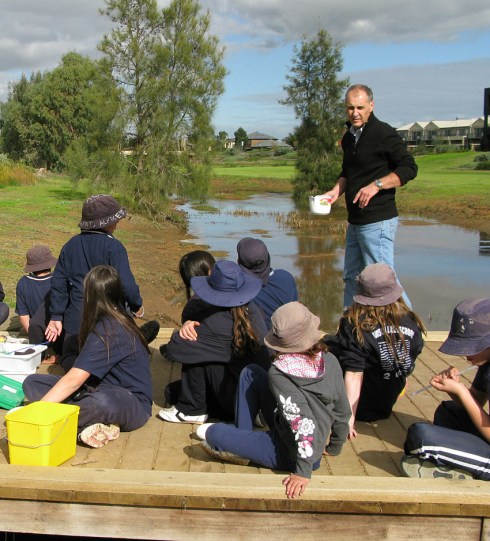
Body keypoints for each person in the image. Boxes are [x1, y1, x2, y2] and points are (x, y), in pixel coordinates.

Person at [197, 302, 351, 499]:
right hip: (301, 438)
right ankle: (243, 435)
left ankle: (242, 443)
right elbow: (343, 411)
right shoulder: (329, 360)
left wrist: (303, 472)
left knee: (212, 432)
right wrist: (335, 447)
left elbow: (303, 423)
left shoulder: (279, 373)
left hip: (291, 453)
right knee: (251, 373)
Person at [23, 265, 153, 449]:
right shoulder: (110, 319)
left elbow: (74, 380)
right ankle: (85, 423)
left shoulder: (110, 330)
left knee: (100, 403)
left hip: (130, 402)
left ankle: (68, 419)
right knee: (32, 382)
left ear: (89, 296)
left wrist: (37, 413)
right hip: (95, 388)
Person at [320, 84, 417, 309]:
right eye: (350, 108)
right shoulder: (349, 137)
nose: (355, 113)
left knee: (383, 283)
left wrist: (377, 184)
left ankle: (410, 331)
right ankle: (349, 330)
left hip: (378, 221)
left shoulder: (383, 133)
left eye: (360, 107)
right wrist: (336, 191)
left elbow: (409, 168)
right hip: (355, 222)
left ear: (371, 106)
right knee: (352, 278)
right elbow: (348, 172)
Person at [45, 194, 158, 371]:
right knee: (111, 356)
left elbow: (58, 284)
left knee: (71, 356)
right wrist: (137, 305)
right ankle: (133, 342)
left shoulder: (70, 245)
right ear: (105, 223)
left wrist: (56, 316)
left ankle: (79, 374)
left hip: (76, 319)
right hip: (107, 318)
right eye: (116, 219)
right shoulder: (114, 247)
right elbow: (126, 285)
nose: (118, 223)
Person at [158, 260, 270, 423]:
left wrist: (187, 325)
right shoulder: (252, 310)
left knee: (195, 351)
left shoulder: (215, 322)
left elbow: (175, 349)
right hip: (258, 396)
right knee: (172, 392)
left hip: (240, 401)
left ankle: (191, 410)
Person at [325, 263, 426, 438]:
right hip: (387, 400)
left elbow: (354, 375)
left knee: (327, 347)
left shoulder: (354, 324)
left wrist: (348, 420)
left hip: (361, 404)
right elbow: (411, 356)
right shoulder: (412, 321)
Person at [402, 298, 490, 480]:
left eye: (472, 347)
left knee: (421, 437)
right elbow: (476, 402)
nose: (466, 353)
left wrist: (462, 392)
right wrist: (454, 389)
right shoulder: (486, 363)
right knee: (448, 412)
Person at [237, 237, 298, 329]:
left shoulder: (238, 289)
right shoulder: (286, 277)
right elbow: (297, 311)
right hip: (286, 337)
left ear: (239, 263)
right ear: (268, 258)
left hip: (257, 340)